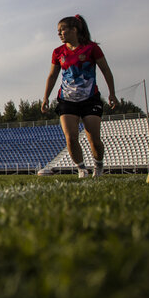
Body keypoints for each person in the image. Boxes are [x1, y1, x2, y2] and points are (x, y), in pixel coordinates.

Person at [41, 14, 117, 178]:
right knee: (71, 138)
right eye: (58, 31)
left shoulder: (91, 48)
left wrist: (112, 93)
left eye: (62, 30)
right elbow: (53, 76)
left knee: (95, 140)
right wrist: (46, 97)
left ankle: (98, 164)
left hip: (90, 99)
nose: (59, 34)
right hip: (67, 100)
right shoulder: (58, 52)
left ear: (74, 29)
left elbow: (106, 70)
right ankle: (81, 168)